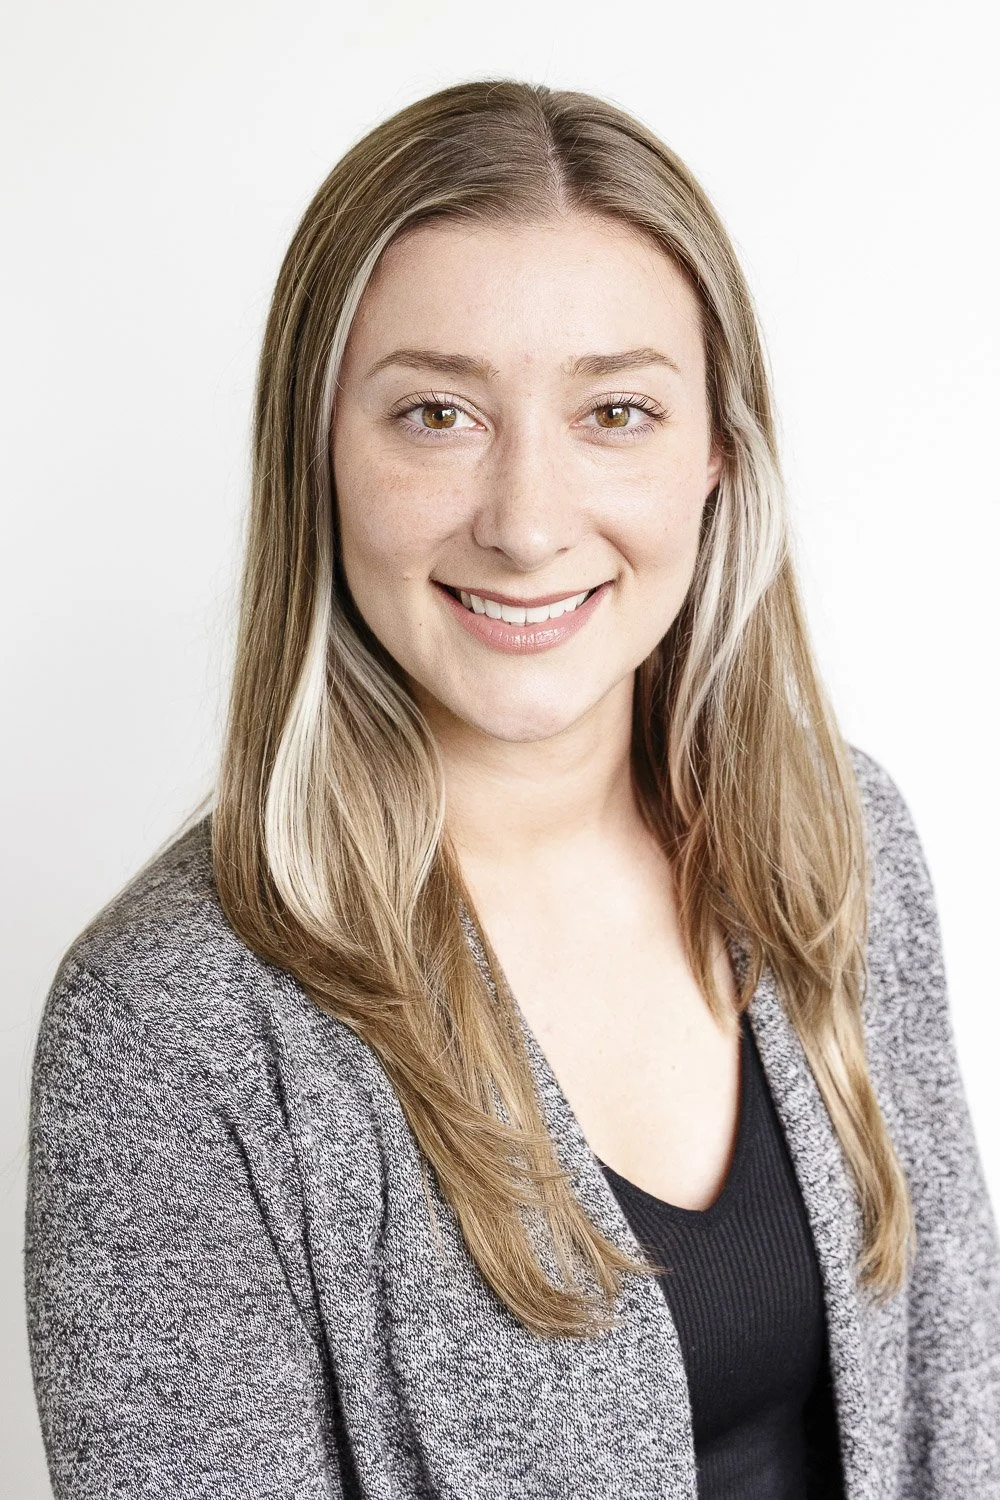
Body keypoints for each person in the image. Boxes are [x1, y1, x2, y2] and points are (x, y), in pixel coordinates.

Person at [24, 79, 1000, 1500]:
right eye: (436, 414)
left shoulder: (834, 839)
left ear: (716, 454)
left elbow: (955, 1419)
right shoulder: (170, 1036)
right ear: (320, 459)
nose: (529, 522)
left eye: (616, 410)